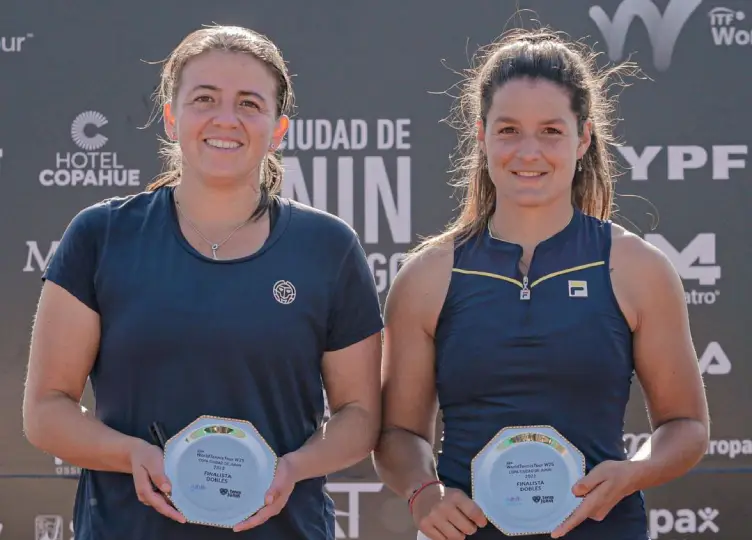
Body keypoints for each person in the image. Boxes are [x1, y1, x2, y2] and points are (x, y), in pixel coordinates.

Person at [22, 25, 383, 540]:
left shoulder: (329, 247)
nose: (225, 119)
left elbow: (360, 415)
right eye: (205, 99)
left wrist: (294, 467)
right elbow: (45, 411)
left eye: (249, 103)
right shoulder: (102, 235)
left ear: (278, 130)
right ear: (172, 118)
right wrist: (131, 454)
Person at [373, 28, 710, 540]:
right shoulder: (427, 276)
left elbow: (686, 425)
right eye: (508, 130)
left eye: (551, 131)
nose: (528, 151)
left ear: (583, 139)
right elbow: (398, 433)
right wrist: (423, 492)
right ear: (482, 135)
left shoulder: (637, 267)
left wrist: (634, 472)